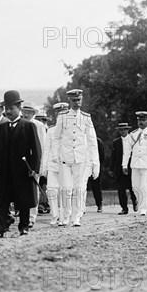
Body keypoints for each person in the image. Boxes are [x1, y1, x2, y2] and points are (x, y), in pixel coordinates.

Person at [0, 91, 41, 237]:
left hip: (23, 170)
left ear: (19, 108)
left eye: (12, 108)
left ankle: (24, 226)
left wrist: (34, 169)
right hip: (5, 170)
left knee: (23, 199)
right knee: (2, 198)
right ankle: (1, 227)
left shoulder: (28, 126)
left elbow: (36, 150)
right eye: (7, 109)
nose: (9, 112)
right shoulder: (3, 127)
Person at [52, 89, 99, 227]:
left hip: (80, 158)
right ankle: (65, 217)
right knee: (66, 188)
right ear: (69, 101)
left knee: (78, 189)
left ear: (82, 100)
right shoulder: (62, 116)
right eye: (74, 100)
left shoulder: (86, 117)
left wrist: (94, 161)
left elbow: (92, 141)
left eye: (79, 100)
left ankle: (76, 217)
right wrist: (55, 154)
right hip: (65, 158)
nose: (77, 102)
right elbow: (56, 138)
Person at [122, 111, 147, 216]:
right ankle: (140, 201)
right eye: (139, 120)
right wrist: (124, 165)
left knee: (144, 187)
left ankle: (143, 209)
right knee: (135, 187)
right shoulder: (132, 134)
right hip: (135, 164)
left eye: (143, 120)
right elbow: (127, 151)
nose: (141, 122)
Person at [42, 102, 69, 225]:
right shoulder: (51, 131)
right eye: (58, 113)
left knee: (65, 191)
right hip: (53, 165)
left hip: (66, 165)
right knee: (51, 190)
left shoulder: (71, 130)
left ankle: (65, 216)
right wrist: (44, 166)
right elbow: (46, 150)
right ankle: (55, 215)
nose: (60, 115)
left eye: (63, 112)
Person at [21, 101, 46, 227]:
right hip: (21, 161)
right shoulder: (20, 124)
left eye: (28, 112)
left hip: (34, 161)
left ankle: (32, 217)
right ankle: (23, 216)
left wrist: (40, 165)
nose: (26, 114)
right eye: (24, 112)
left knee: (33, 189)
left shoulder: (39, 125)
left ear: (33, 113)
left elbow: (42, 146)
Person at [109, 123, 138, 215]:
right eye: (121, 130)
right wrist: (111, 169)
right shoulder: (116, 142)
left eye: (124, 129)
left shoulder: (133, 140)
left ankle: (135, 200)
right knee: (121, 189)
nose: (122, 131)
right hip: (119, 168)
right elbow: (113, 156)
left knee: (132, 187)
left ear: (127, 130)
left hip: (131, 168)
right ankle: (124, 208)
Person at [84, 137, 105, 212]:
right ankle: (82, 205)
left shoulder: (98, 141)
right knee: (82, 186)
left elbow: (102, 156)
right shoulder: (82, 139)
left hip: (94, 166)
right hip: (84, 166)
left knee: (96, 187)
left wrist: (97, 166)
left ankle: (99, 204)